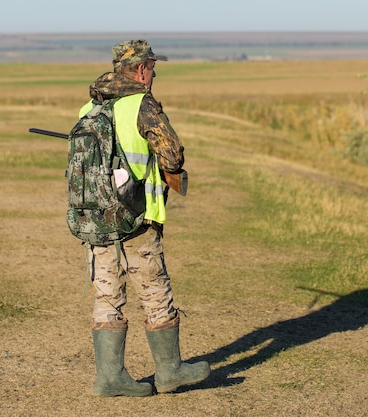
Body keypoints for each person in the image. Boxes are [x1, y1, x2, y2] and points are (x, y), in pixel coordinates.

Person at [82, 40, 210, 397]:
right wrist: (170, 170)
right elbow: (172, 152)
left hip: (97, 220)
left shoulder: (89, 108)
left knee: (107, 294)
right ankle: (170, 372)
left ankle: (110, 378)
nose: (154, 73)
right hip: (137, 218)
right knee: (155, 291)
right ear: (140, 69)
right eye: (152, 67)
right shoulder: (142, 104)